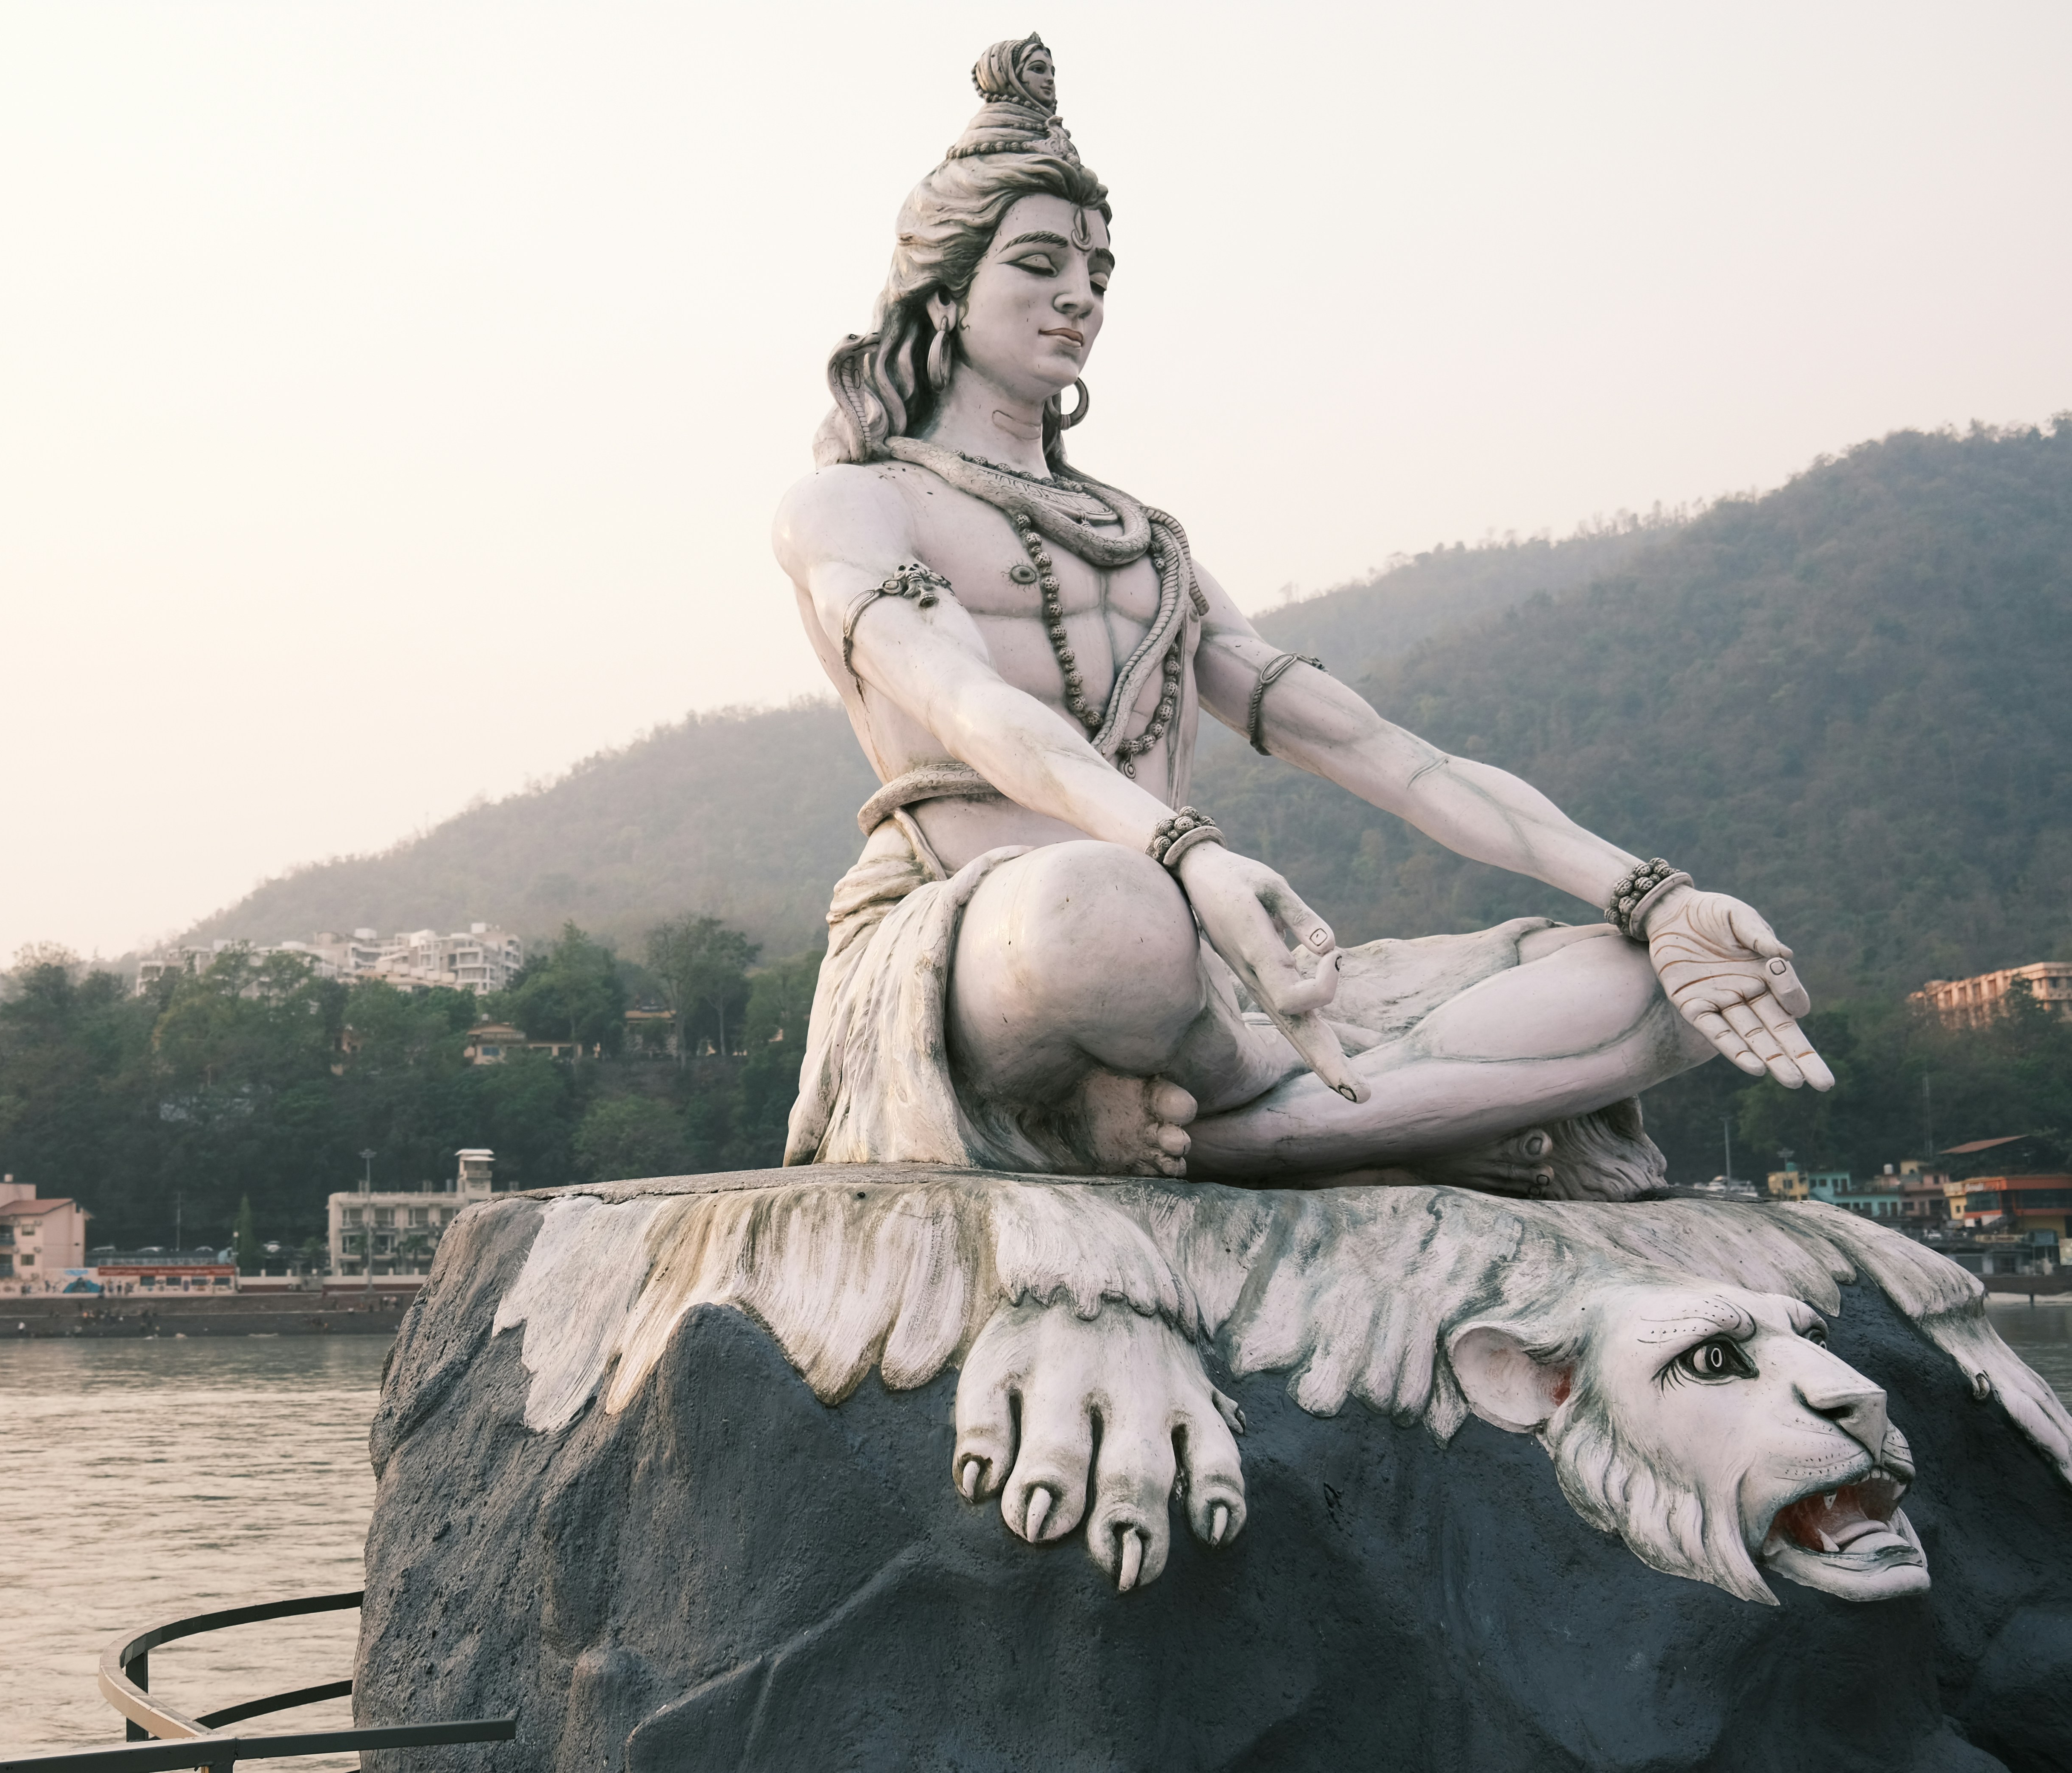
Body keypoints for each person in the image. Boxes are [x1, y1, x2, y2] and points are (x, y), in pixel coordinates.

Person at [776, 36, 1832, 1198]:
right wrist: (1189, 855)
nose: (1078, 297)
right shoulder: (855, 504)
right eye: (1037, 264)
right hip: (995, 945)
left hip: (1210, 973)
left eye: (1099, 275)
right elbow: (968, 705)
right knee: (1105, 909)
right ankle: (1389, 1121)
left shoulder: (1149, 542)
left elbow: (1371, 745)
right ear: (947, 287)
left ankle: (1244, 1132)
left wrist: (1651, 894)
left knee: (1674, 982)